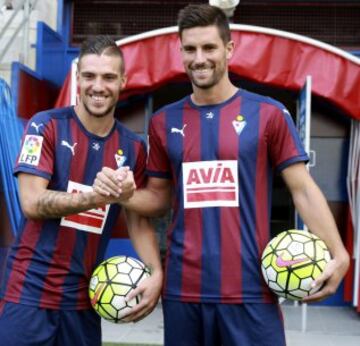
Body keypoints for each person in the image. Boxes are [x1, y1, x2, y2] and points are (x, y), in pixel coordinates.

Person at [93, 4, 350, 346]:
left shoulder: (268, 114)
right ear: (180, 51)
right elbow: (157, 199)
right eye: (190, 49)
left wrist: (340, 252)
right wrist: (124, 195)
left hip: (250, 292)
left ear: (229, 49)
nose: (199, 58)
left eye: (209, 47)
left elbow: (302, 189)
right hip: (183, 292)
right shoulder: (163, 122)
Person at [0, 35, 163, 346]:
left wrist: (155, 273)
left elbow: (138, 221)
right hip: (29, 295)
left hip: (85, 301)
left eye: (108, 77)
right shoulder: (45, 126)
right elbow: (31, 202)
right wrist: (95, 196)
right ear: (77, 78)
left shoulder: (133, 148)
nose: (97, 86)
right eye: (89, 76)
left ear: (123, 81)